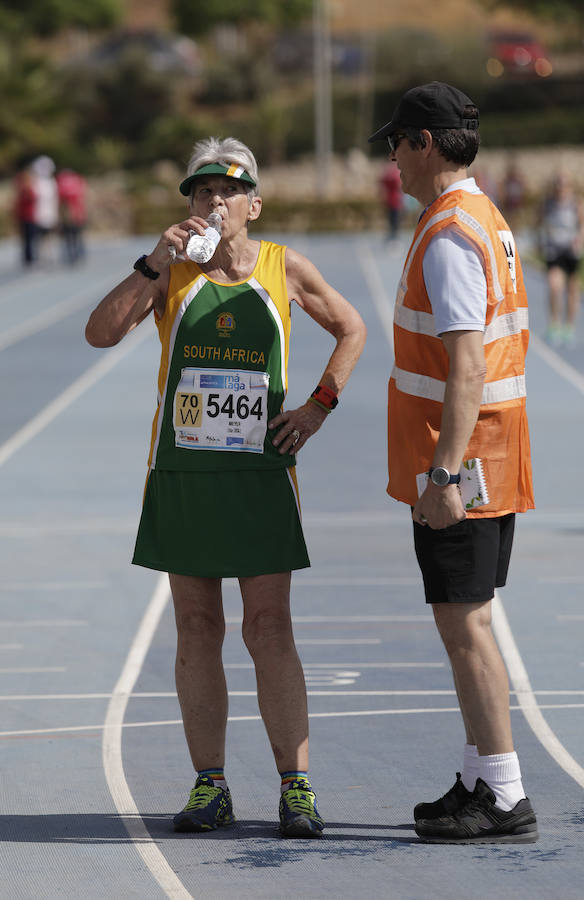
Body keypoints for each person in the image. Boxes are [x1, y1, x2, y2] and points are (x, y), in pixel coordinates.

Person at [85, 137, 366, 838]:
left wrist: (317, 408)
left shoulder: (283, 266)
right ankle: (209, 784)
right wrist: (154, 260)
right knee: (196, 627)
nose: (213, 201)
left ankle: (295, 787)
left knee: (269, 628)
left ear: (254, 205)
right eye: (201, 191)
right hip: (186, 473)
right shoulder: (169, 272)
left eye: (227, 191)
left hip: (260, 473)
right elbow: (99, 333)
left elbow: (352, 328)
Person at [368, 82, 538, 843]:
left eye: (397, 144)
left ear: (424, 143)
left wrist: (440, 477)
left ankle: (503, 790)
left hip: (464, 467)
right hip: (491, 455)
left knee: (465, 625)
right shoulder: (480, 216)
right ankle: (479, 774)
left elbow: (466, 367)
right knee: (464, 620)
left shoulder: (446, 234)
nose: (393, 161)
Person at [537, 173, 583, 348]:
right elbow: (539, 223)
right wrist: (541, 242)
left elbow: (582, 225)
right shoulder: (548, 204)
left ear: (570, 186)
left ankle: (569, 327)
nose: (561, 189)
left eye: (564, 185)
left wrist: (579, 239)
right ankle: (554, 324)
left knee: (572, 291)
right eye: (558, 185)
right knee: (554, 286)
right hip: (554, 251)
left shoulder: (576, 204)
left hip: (571, 252)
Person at [56, 168, 87, 265]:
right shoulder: (77, 181)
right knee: (75, 235)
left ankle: (73, 254)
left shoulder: (62, 184)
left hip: (70, 215)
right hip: (75, 214)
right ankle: (77, 254)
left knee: (70, 236)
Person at [379, 160, 404, 240]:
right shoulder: (394, 175)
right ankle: (394, 235)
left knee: (394, 220)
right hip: (394, 202)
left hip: (393, 202)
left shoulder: (390, 175)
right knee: (393, 220)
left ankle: (394, 235)